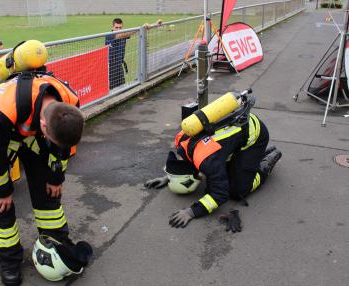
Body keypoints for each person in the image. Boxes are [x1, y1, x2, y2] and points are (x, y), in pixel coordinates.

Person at [0, 49, 88, 285]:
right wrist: (3, 190)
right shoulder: (3, 111)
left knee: (48, 189)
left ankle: (55, 239)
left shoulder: (69, 103)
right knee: (0, 204)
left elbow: (61, 148)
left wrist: (55, 178)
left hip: (27, 131)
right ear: (43, 126)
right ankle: (10, 261)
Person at [145, 112, 282, 232]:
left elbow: (220, 194)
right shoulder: (181, 140)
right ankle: (254, 158)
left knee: (237, 190)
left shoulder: (208, 162)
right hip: (238, 128)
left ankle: (266, 162)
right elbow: (180, 162)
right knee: (225, 171)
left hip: (255, 135)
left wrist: (192, 212)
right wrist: (168, 177)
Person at [105, 18, 162, 89]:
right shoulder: (110, 35)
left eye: (120, 27)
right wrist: (142, 27)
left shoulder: (123, 34)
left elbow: (139, 31)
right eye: (116, 27)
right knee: (111, 89)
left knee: (122, 87)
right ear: (112, 27)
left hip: (119, 65)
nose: (118, 29)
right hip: (110, 66)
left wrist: (155, 24)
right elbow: (124, 34)